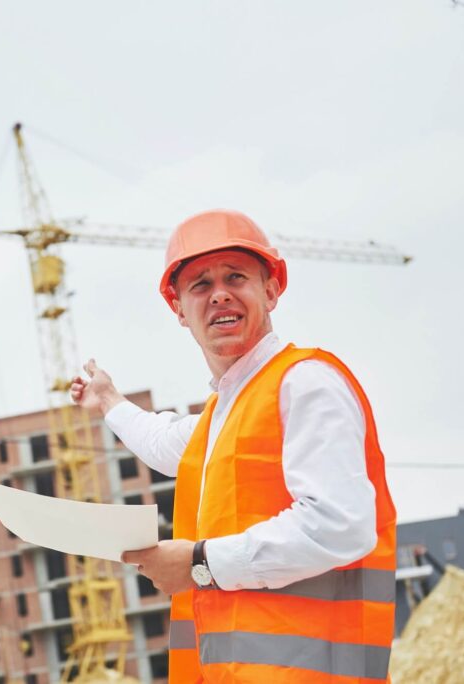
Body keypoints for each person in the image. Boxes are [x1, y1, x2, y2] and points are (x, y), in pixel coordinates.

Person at [70, 209, 397, 683]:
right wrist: (108, 401)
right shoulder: (223, 416)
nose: (219, 293)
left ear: (271, 290)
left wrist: (199, 563)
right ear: (179, 310)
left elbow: (338, 525)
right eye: (200, 284)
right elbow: (161, 443)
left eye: (236, 277)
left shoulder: (305, 383)